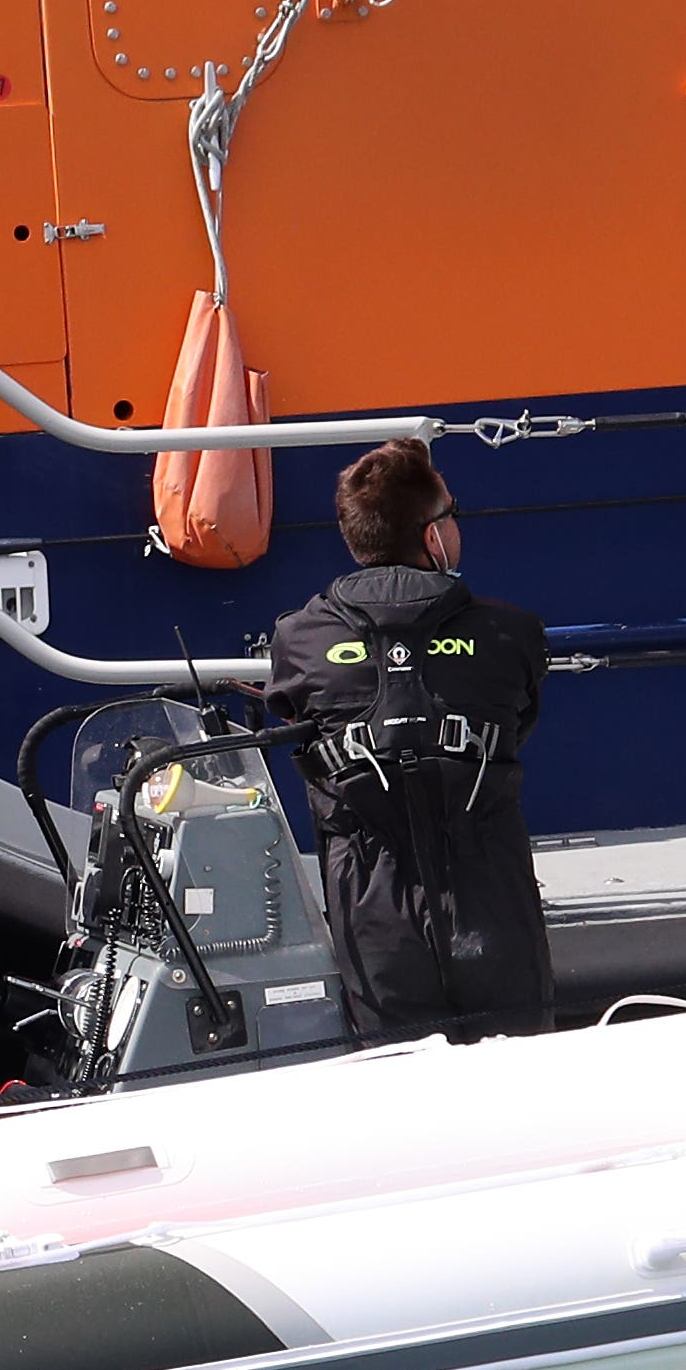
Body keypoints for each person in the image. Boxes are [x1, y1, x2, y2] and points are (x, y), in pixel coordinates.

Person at [264, 439, 553, 1041]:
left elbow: (289, 719)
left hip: (370, 912)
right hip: (491, 898)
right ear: (431, 537)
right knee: (521, 1086)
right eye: (451, 514)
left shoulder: (297, 639)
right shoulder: (511, 632)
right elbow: (521, 718)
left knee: (396, 1088)